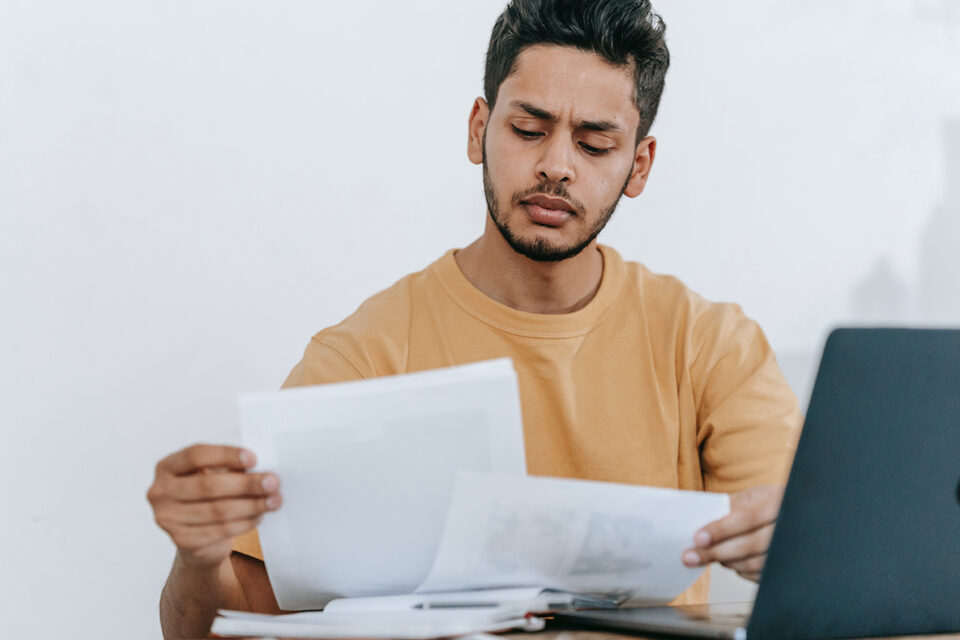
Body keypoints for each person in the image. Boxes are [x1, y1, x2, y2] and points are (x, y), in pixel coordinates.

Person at [146, 1, 802, 638]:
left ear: (639, 165)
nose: (557, 165)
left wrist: (797, 540)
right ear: (476, 129)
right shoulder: (364, 358)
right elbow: (223, 630)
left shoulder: (710, 345)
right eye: (528, 129)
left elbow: (821, 564)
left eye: (596, 143)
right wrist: (198, 558)